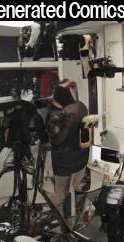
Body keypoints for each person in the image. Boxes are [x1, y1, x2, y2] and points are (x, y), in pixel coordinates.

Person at [47, 80, 89, 224]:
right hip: (80, 158)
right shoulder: (81, 107)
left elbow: (57, 140)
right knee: (75, 192)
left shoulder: (62, 113)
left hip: (63, 162)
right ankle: (73, 220)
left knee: (60, 195)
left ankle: (59, 224)